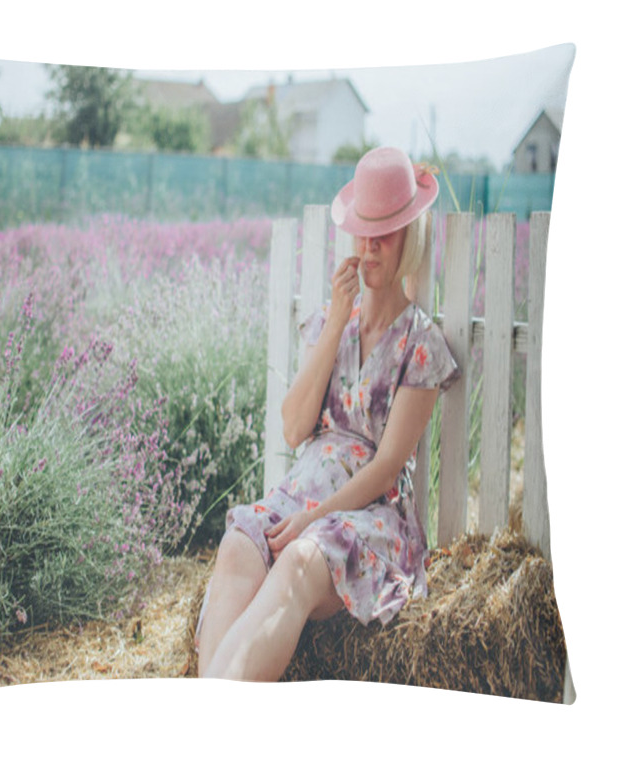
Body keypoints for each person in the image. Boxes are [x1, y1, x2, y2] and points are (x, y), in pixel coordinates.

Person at [196, 146, 459, 681]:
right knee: (239, 546)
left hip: (366, 515)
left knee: (298, 560)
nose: (370, 246)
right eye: (364, 230)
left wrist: (314, 520)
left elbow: (386, 468)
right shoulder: (332, 322)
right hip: (300, 493)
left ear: (411, 236)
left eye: (385, 232)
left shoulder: (420, 345)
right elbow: (294, 427)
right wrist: (338, 320)